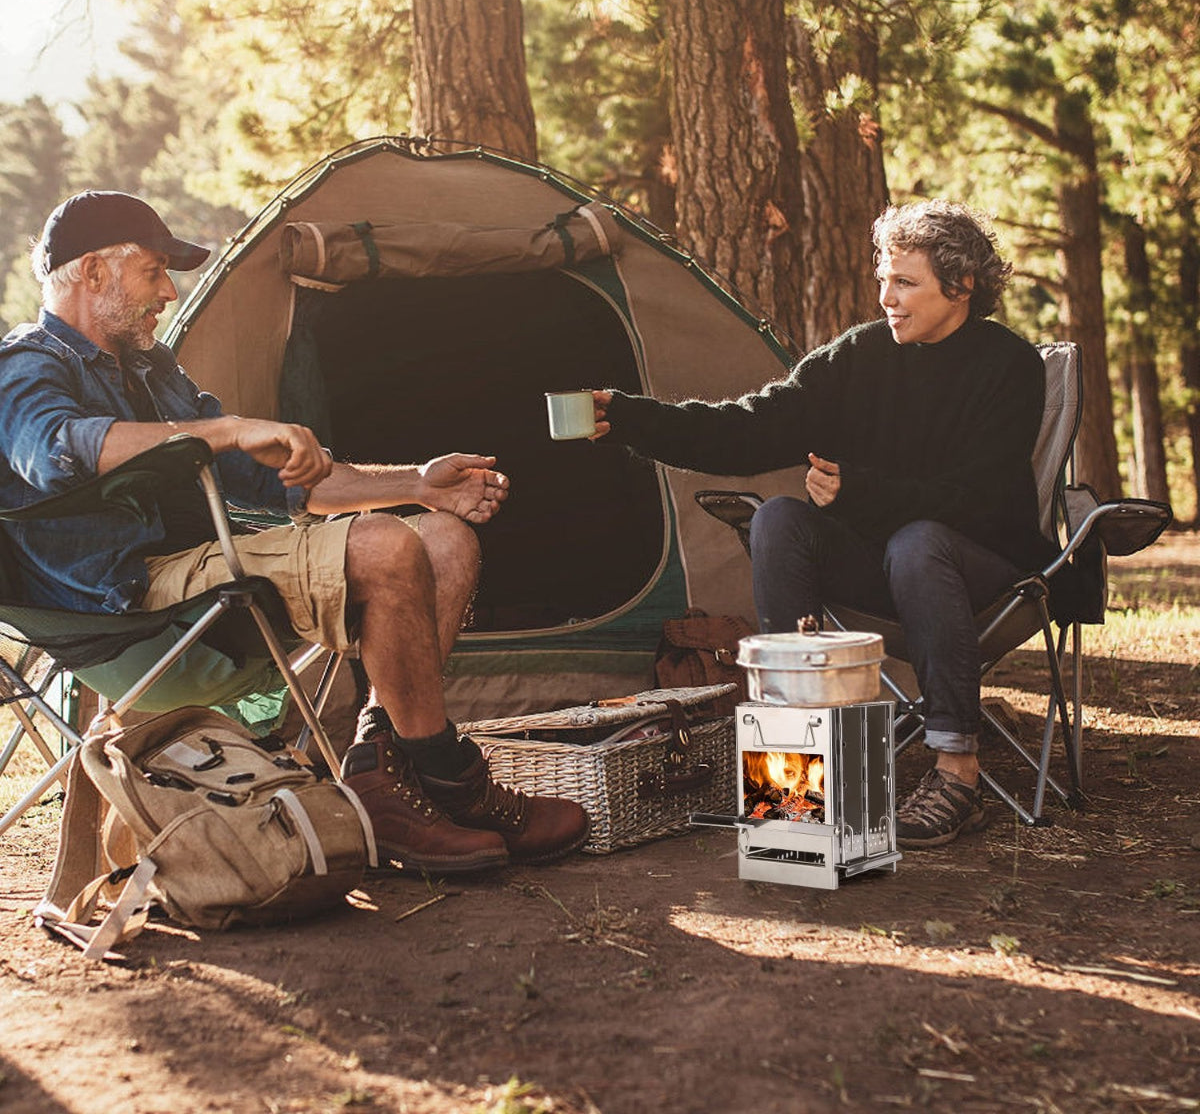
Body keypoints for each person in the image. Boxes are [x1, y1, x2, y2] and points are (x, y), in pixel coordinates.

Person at [0, 190, 589, 874]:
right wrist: (223, 429)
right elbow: (54, 450)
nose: (167, 291)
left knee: (442, 538)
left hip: (209, 582)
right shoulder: (26, 365)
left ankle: (381, 770)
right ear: (94, 272)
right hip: (132, 610)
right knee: (386, 546)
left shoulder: (151, 372)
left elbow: (276, 482)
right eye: (154, 271)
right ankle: (451, 779)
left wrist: (417, 483)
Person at [592, 199, 1059, 849]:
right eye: (883, 279)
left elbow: (978, 500)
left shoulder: (1007, 366)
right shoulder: (862, 357)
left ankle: (957, 771)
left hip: (983, 569)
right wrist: (629, 417)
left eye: (906, 282)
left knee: (919, 541)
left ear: (961, 286)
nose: (886, 297)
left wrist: (860, 490)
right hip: (885, 565)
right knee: (781, 519)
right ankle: (795, 770)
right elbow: (750, 425)